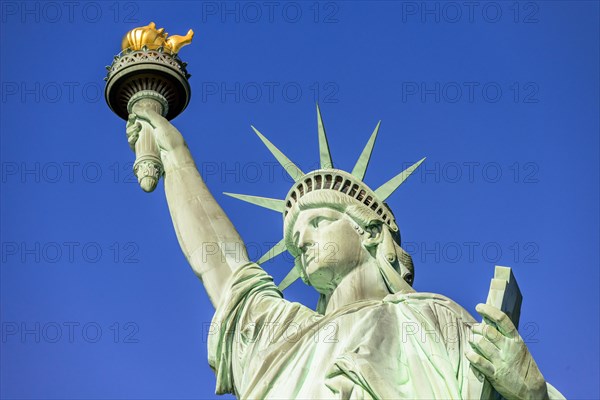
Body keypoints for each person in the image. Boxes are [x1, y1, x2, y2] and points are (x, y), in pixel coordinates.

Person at [126, 104, 565, 399]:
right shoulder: (283, 334)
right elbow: (220, 264)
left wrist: (532, 392)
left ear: (371, 232)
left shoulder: (436, 319)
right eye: (296, 235)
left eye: (318, 221)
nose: (301, 239)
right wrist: (176, 157)